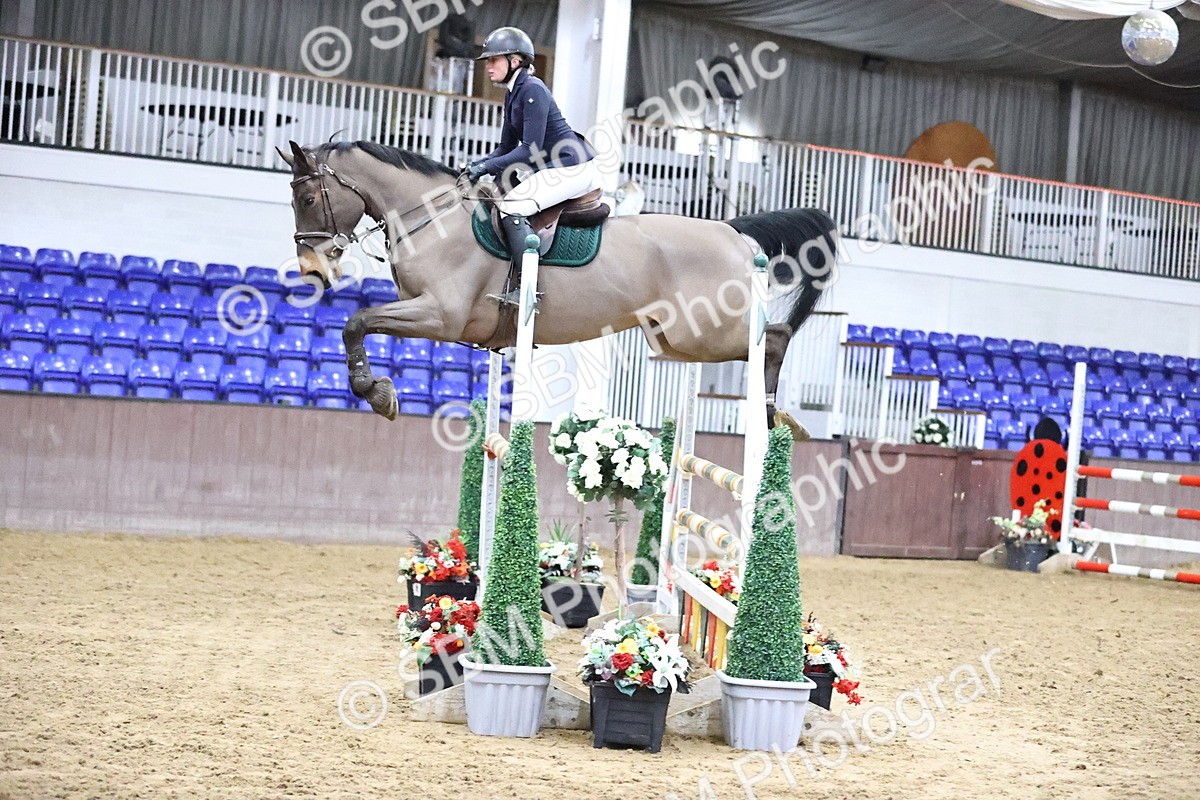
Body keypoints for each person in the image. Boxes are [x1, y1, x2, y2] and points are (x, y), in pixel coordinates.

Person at [464, 26, 600, 305]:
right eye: (488, 61)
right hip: (551, 166)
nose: (488, 66)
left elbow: (529, 150)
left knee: (512, 207)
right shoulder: (513, 93)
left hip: (570, 167)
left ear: (515, 61)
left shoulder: (533, 90)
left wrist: (487, 167)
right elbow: (505, 148)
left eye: (494, 60)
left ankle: (529, 291)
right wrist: (478, 165)